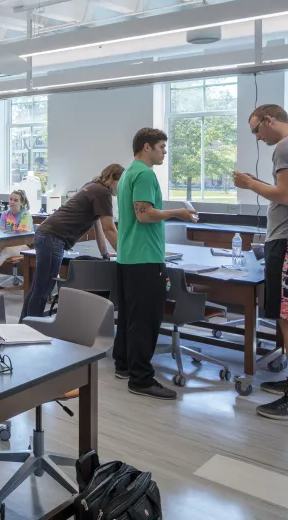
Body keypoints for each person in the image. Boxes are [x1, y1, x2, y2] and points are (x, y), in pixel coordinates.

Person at [233, 104, 288, 420]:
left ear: (269, 120)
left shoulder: (287, 146)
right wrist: (260, 183)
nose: (257, 137)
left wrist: (250, 185)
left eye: (257, 130)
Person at [114, 129, 197, 401]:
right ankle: (141, 378)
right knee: (146, 320)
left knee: (130, 316)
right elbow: (145, 214)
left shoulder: (128, 172)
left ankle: (125, 365)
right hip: (145, 258)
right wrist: (178, 213)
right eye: (161, 147)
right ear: (147, 147)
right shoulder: (145, 174)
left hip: (128, 257)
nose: (164, 152)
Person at [19, 164, 124, 320]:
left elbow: (98, 224)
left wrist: (104, 252)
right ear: (114, 179)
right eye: (122, 183)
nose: (122, 188)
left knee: (38, 287)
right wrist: (125, 253)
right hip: (53, 237)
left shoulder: (92, 186)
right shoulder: (103, 193)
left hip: (47, 234)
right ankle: (31, 329)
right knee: (43, 288)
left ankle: (24, 325)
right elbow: (109, 228)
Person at [0, 189, 34, 268]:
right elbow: (1, 233)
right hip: (6, 243)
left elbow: (20, 234)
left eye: (15, 200)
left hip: (25, 245)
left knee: (5, 252)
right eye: (10, 199)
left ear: (22, 203)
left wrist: (7, 233)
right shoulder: (5, 214)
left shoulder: (25, 215)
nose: (12, 202)